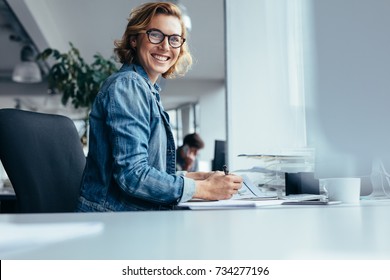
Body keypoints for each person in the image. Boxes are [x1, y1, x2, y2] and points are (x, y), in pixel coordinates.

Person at [77, 2, 242, 212]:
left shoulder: (147, 90)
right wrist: (204, 190)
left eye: (174, 39)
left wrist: (199, 178)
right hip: (114, 222)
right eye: (156, 35)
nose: (165, 46)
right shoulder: (129, 85)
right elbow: (133, 175)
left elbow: (151, 171)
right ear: (134, 40)